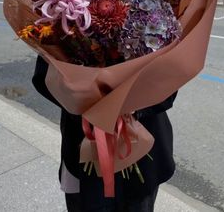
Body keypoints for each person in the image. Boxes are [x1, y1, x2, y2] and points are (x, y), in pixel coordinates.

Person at [32, 55, 177, 212]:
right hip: (83, 148)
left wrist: (132, 106)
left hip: (142, 156)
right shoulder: (61, 33)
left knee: (137, 201)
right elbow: (44, 75)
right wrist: (87, 105)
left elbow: (170, 82)